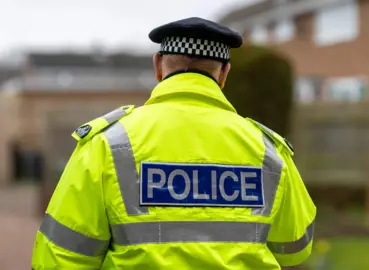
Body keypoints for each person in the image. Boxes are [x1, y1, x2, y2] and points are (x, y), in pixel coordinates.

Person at [31, 17, 316, 270]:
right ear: (224, 73)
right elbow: (295, 248)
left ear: (158, 65)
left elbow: (60, 258)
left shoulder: (108, 143)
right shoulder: (268, 150)